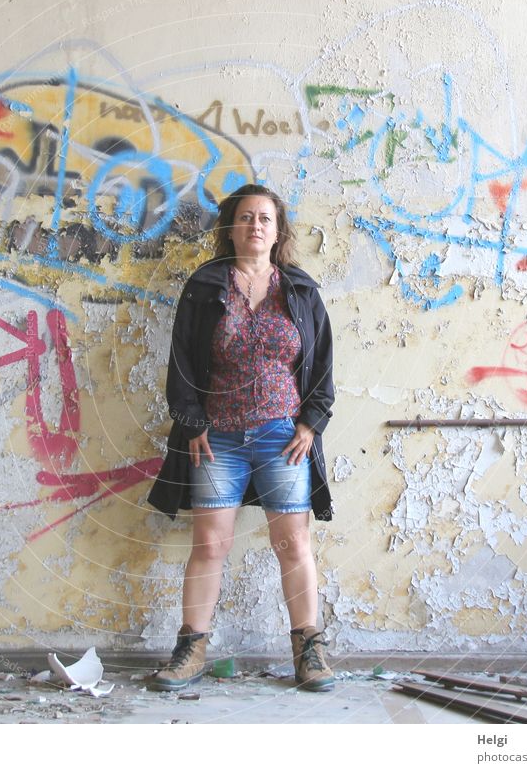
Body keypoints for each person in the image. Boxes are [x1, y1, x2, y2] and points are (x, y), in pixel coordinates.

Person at [147, 183, 335, 692]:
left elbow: (320, 368)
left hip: (283, 436)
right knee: (210, 542)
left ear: (278, 232)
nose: (256, 226)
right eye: (247, 217)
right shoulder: (204, 286)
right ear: (231, 227)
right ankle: (191, 649)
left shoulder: (300, 290)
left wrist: (310, 423)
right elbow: (182, 360)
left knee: (293, 542)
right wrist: (190, 421)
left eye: (265, 219)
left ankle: (309, 652)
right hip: (218, 438)